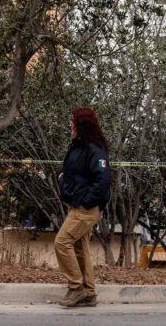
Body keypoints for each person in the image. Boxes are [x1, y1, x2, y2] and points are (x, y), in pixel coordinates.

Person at [55, 107, 112, 308]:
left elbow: (103, 179)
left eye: (73, 120)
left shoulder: (95, 149)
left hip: (86, 208)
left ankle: (76, 287)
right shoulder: (79, 146)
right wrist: (63, 182)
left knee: (62, 242)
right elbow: (71, 174)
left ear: (82, 123)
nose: (70, 124)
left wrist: (87, 201)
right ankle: (89, 293)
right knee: (80, 248)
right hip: (76, 204)